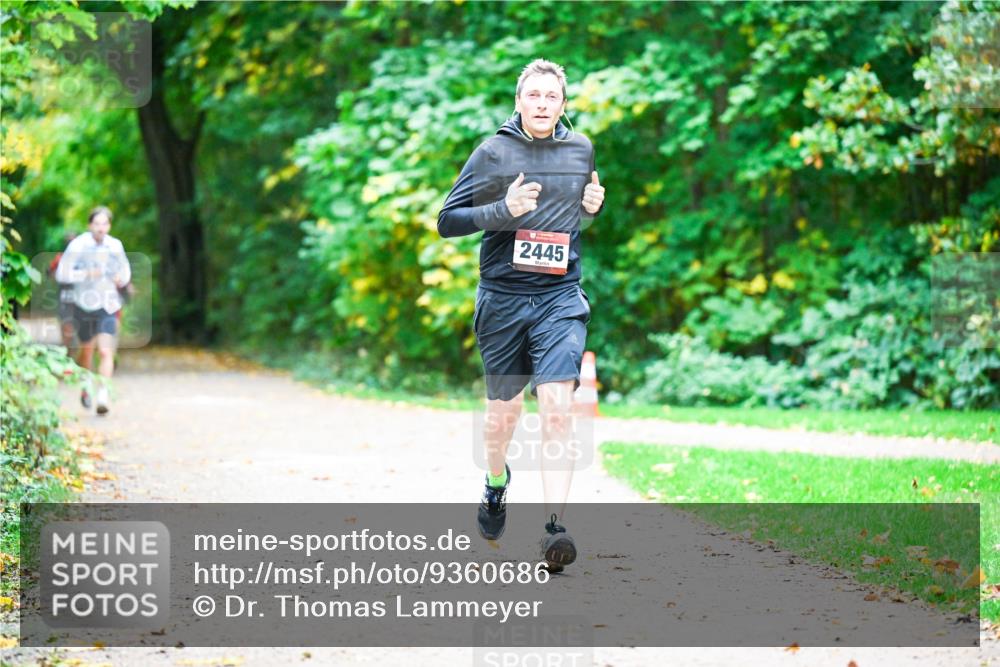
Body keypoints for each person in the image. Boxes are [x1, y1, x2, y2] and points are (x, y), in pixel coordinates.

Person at [437, 59, 606, 572]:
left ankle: (555, 528)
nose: (541, 104)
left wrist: (592, 207)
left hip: (559, 299)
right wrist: (501, 211)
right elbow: (447, 221)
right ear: (519, 100)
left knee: (557, 407)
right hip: (504, 300)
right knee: (501, 420)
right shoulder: (493, 152)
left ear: (563, 104)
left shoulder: (580, 150)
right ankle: (495, 483)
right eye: (532, 95)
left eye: (550, 97)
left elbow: (568, 215)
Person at [55, 206, 131, 415]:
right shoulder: (78, 245)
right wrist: (88, 274)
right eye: (96, 224)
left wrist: (120, 279)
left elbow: (125, 272)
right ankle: (87, 386)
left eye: (104, 224)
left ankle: (103, 395)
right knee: (86, 351)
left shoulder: (115, 245)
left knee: (106, 350)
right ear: (90, 225)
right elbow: (62, 274)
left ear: (109, 226)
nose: (100, 228)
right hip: (84, 304)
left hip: (108, 304)